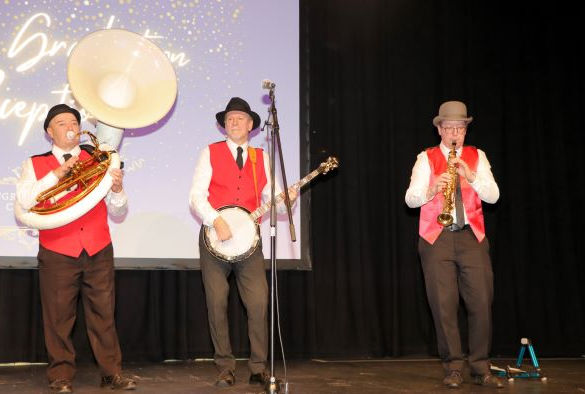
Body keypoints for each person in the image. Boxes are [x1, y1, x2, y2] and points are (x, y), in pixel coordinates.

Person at [15, 104, 136, 393]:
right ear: (49, 131)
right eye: (61, 122)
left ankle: (111, 374)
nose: (69, 126)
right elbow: (26, 199)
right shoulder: (34, 163)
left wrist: (117, 190)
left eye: (73, 121)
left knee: (104, 315)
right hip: (58, 251)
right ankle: (60, 377)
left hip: (98, 247)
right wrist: (58, 173)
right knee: (58, 318)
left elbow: (118, 211)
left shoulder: (98, 159)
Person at [189, 97, 297, 387]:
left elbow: (274, 201)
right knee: (216, 302)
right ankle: (225, 365)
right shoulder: (210, 152)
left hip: (250, 244)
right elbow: (196, 196)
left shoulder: (260, 157)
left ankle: (259, 366)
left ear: (251, 125)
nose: (234, 122)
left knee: (259, 302)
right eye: (229, 118)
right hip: (215, 241)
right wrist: (216, 220)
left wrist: (288, 201)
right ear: (224, 124)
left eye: (240, 118)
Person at [405, 101, 504, 389]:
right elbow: (410, 199)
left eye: (459, 128)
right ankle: (453, 367)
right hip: (436, 238)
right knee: (443, 306)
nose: (454, 133)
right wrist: (432, 188)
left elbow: (494, 197)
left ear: (465, 129)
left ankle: (481, 366)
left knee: (481, 302)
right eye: (448, 127)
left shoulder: (477, 156)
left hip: (472, 236)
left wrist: (470, 177)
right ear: (439, 128)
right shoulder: (425, 158)